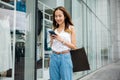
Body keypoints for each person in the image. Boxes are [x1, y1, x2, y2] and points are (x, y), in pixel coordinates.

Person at [49, 6, 76, 80]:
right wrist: (51, 40)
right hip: (54, 57)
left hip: (65, 56)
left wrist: (61, 40)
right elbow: (51, 46)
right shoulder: (54, 29)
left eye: (60, 16)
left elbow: (74, 46)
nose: (57, 18)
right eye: (56, 16)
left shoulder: (71, 28)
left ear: (65, 16)